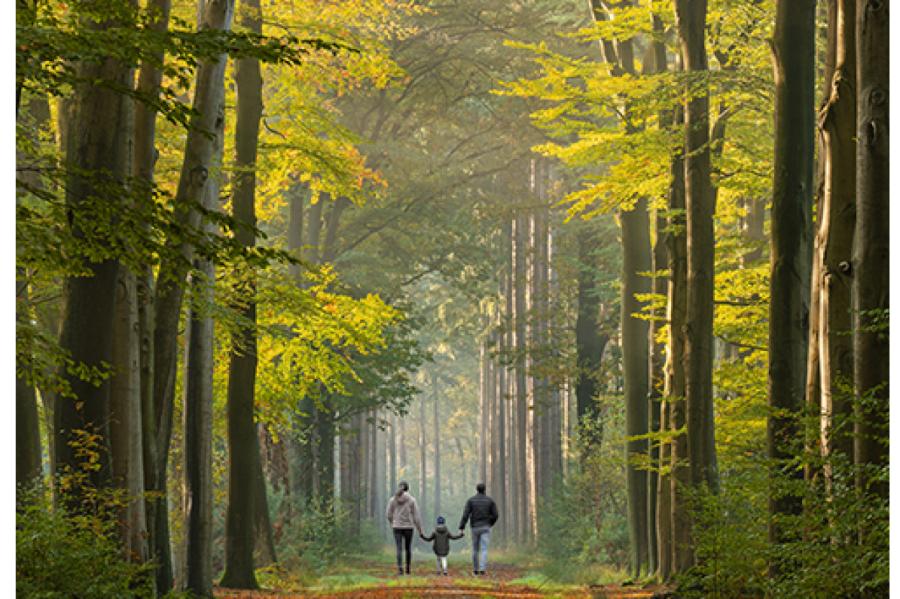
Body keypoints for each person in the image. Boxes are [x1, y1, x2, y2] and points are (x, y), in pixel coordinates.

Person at [457, 482, 499, 575]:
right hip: (485, 527)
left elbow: (465, 515)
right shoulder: (490, 501)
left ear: (477, 489)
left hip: (475, 527)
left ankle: (475, 570)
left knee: (475, 549)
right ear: (484, 489)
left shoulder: (471, 501)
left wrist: (461, 527)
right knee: (484, 549)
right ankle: (482, 569)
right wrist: (490, 523)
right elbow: (496, 515)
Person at [385, 481, 424, 575]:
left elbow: (388, 514)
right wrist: (420, 530)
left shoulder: (393, 500)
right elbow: (416, 516)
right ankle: (408, 569)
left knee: (398, 548)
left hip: (397, 526)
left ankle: (399, 569)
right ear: (408, 489)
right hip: (409, 527)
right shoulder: (412, 500)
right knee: (408, 548)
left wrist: (392, 523)